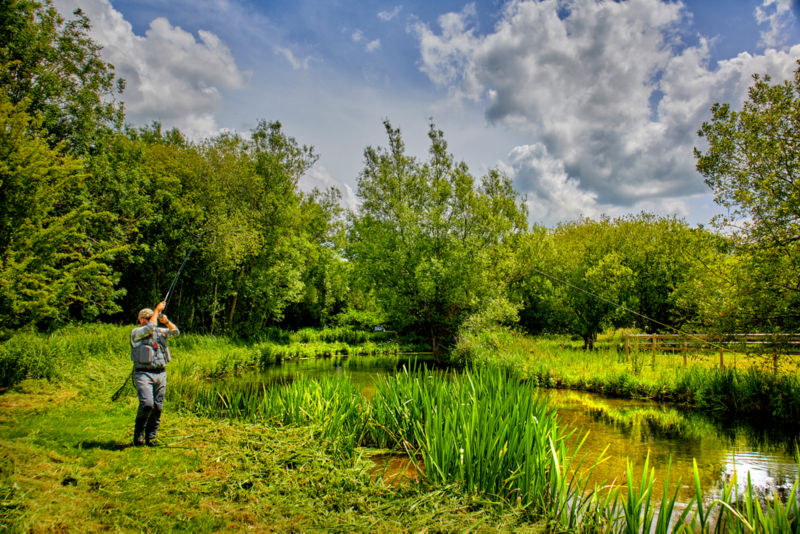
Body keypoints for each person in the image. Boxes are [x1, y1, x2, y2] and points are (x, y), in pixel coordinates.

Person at [130, 301, 179, 446]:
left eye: (153, 317)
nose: (153, 320)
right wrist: (157, 310)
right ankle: (138, 434)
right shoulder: (136, 333)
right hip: (143, 374)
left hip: (161, 373)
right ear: (141, 320)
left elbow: (175, 332)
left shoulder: (159, 332)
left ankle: (151, 437)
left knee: (158, 407)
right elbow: (150, 327)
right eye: (150, 317)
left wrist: (166, 321)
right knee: (147, 404)